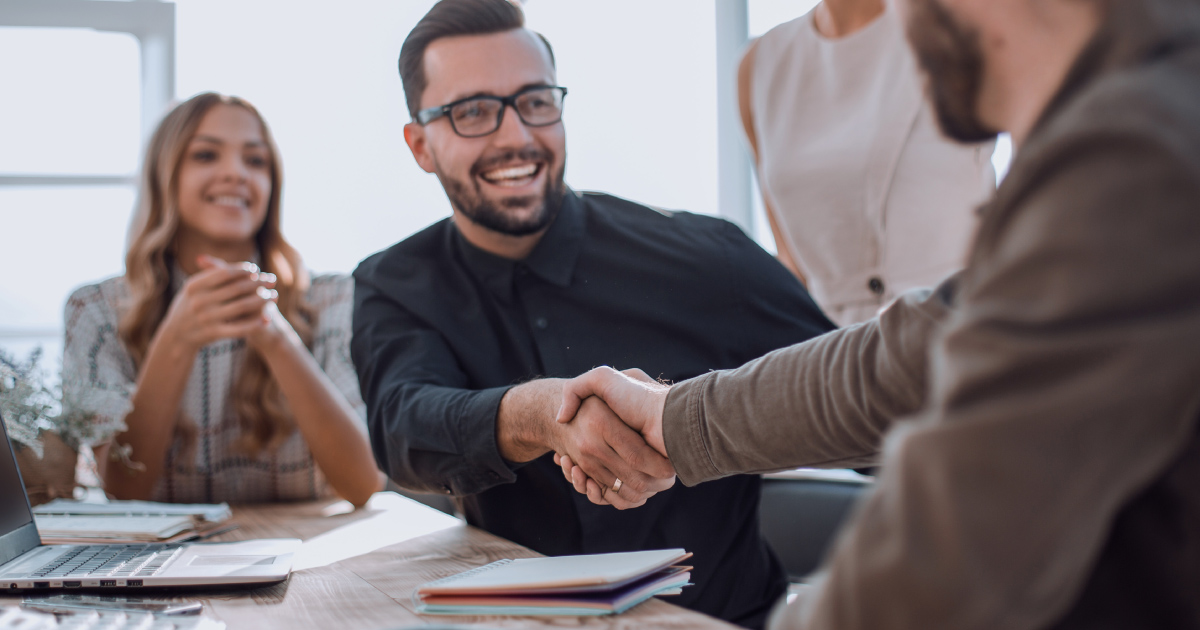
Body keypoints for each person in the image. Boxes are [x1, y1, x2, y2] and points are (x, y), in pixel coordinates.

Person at [555, 0, 1200, 627]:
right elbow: (915, 352)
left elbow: (950, 552)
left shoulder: (1140, 145)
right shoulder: (1139, 107)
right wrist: (674, 419)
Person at [349, 1, 835, 627]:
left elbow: (861, 400)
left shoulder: (711, 259)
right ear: (420, 143)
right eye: (473, 112)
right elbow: (403, 427)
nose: (515, 136)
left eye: (535, 102)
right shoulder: (395, 282)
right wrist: (542, 415)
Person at [63, 92, 384, 506]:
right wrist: (176, 340)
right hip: (161, 566)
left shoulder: (332, 297)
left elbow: (363, 484)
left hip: (312, 559)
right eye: (205, 155)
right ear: (164, 174)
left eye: (255, 160)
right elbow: (122, 491)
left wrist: (276, 337)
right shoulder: (95, 310)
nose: (235, 173)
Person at [741, 0, 994, 326]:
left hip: (963, 333)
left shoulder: (960, 22)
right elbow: (793, 266)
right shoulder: (761, 65)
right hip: (829, 355)